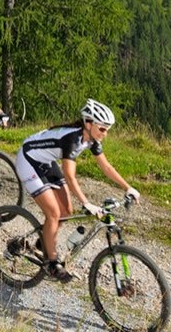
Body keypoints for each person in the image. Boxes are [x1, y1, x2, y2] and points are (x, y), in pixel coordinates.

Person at [14, 99, 140, 282]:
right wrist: (87, 203)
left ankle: (42, 244)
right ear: (88, 123)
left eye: (107, 130)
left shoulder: (91, 139)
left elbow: (106, 167)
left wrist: (128, 187)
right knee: (54, 213)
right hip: (28, 160)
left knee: (66, 212)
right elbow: (70, 175)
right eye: (102, 129)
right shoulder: (72, 139)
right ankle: (51, 262)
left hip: (44, 162)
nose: (105, 134)